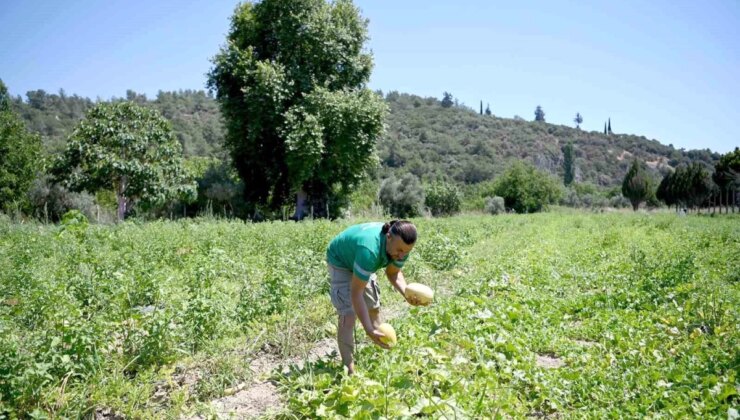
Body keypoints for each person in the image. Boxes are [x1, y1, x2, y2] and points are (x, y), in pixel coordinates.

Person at [326, 220, 426, 374]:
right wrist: (368, 330)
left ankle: (384, 355)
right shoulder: (369, 251)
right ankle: (349, 370)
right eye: (399, 250)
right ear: (388, 237)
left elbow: (393, 273)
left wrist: (407, 294)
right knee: (349, 316)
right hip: (340, 260)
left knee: (373, 307)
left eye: (406, 252)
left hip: (361, 258)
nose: (401, 256)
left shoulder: (402, 248)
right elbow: (356, 293)